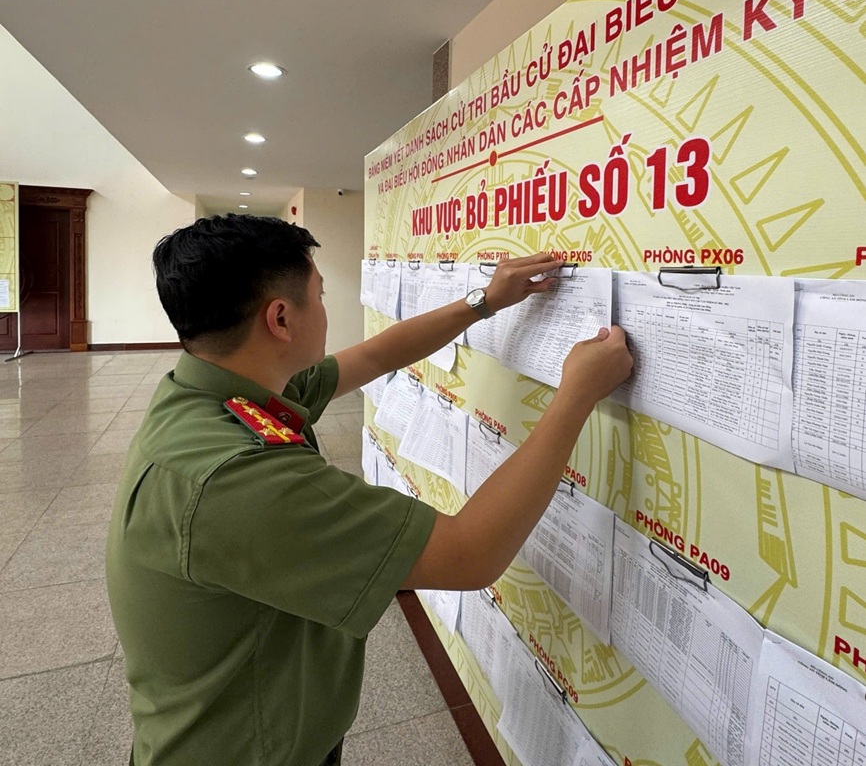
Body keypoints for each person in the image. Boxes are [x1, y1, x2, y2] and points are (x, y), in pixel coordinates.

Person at [106, 213, 632, 766]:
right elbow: (469, 555)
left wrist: (485, 301)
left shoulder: (212, 391)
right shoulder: (236, 476)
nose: (325, 308)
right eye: (320, 295)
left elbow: (376, 356)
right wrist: (576, 394)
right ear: (281, 318)